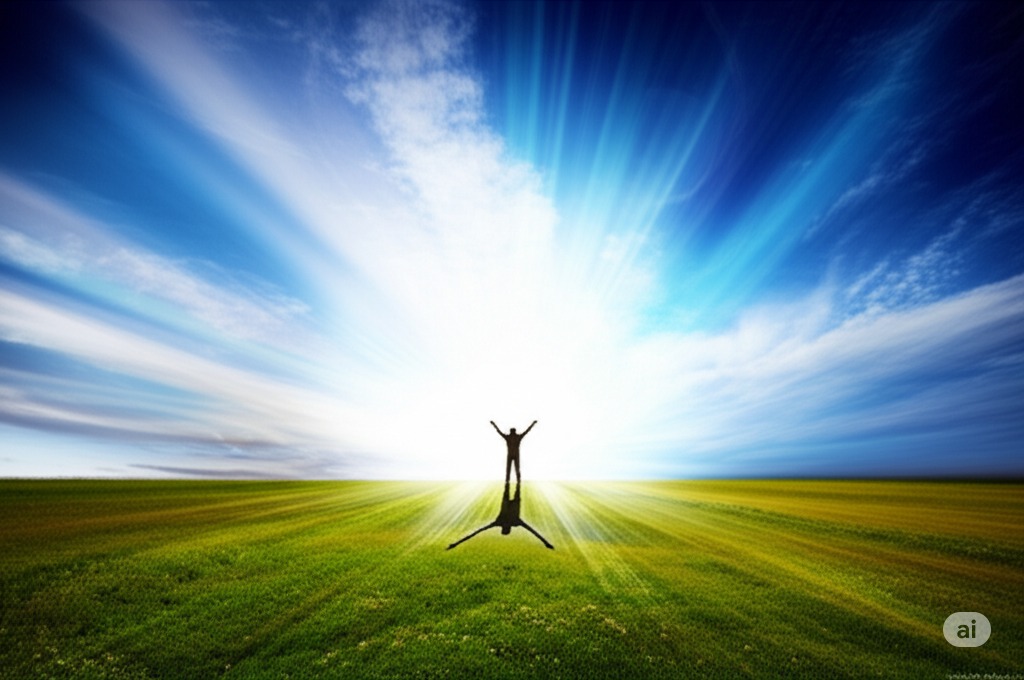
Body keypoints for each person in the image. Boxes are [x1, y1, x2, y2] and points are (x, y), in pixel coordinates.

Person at [446, 481, 554, 550]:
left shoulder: (505, 522)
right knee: (514, 484)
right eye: (506, 528)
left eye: (504, 528)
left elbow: (477, 532)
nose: (506, 526)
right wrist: (546, 543)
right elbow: (534, 532)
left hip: (508, 503)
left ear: (504, 528)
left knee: (513, 485)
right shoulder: (513, 522)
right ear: (507, 528)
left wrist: (456, 544)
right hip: (511, 503)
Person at [490, 419, 536, 484]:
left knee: (510, 468)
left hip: (511, 455)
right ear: (514, 431)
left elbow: (499, 432)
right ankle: (516, 480)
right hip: (515, 454)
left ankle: (510, 480)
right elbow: (527, 431)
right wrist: (533, 424)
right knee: (515, 468)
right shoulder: (517, 437)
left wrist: (494, 424)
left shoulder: (508, 437)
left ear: (511, 432)